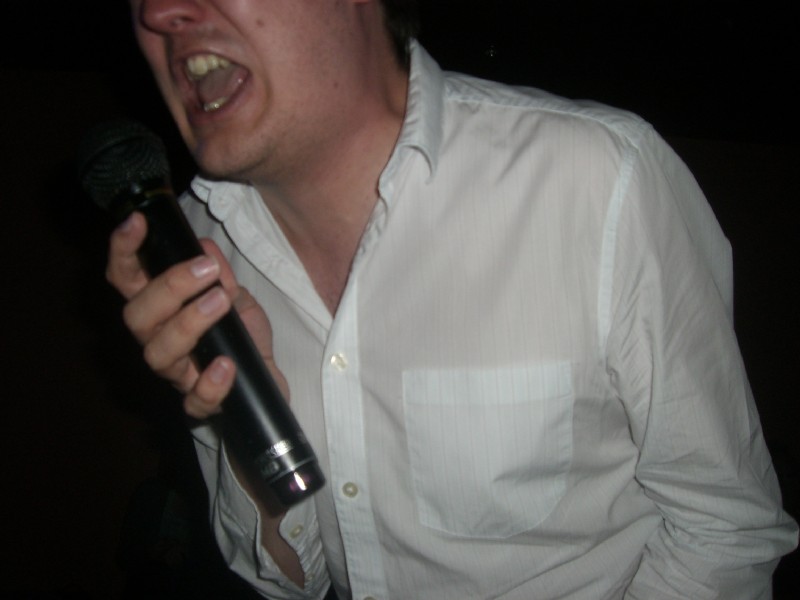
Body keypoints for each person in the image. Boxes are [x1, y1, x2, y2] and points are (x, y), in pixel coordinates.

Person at [108, 1, 797, 598]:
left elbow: (726, 531)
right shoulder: (195, 249)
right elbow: (287, 583)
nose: (158, 11)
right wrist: (239, 423)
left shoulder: (596, 178)